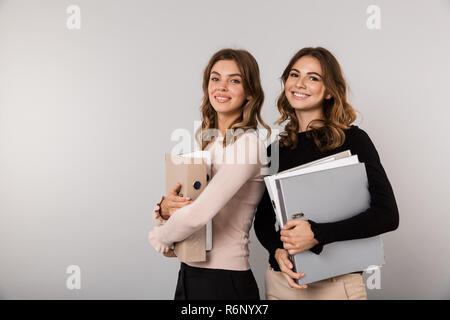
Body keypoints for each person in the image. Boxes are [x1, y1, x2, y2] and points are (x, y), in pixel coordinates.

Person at [254, 47, 399, 300]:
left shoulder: (354, 140)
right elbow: (264, 220)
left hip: (337, 285)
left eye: (313, 78)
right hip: (283, 283)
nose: (300, 84)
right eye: (294, 75)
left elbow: (387, 215)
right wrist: (277, 251)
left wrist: (318, 234)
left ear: (330, 91)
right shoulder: (274, 150)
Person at [149, 48, 271, 300]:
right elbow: (185, 207)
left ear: (250, 93)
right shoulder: (211, 144)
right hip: (190, 272)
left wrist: (159, 236)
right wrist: (162, 209)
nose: (222, 87)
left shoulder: (249, 145)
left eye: (234, 80)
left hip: (224, 281)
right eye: (215, 79)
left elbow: (197, 216)